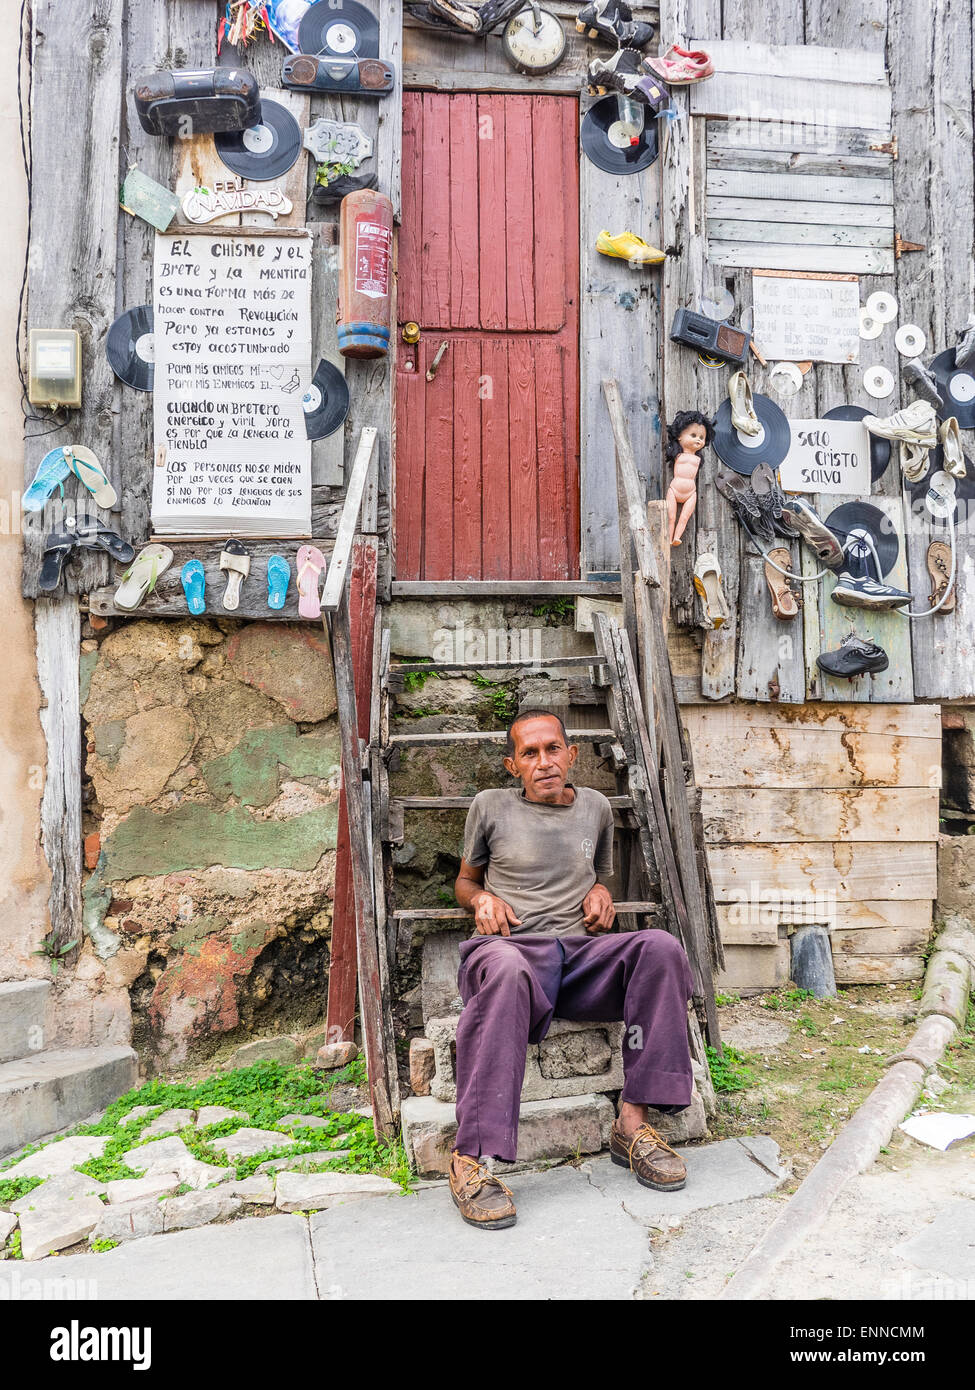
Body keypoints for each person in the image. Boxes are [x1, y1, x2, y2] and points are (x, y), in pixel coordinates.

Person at [447, 708, 697, 1230]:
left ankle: (632, 1125)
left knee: (660, 948)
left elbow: (595, 878)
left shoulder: (597, 809)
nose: (544, 762)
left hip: (578, 958)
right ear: (512, 765)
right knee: (509, 968)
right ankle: (469, 1157)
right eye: (529, 753)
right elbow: (464, 881)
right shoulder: (489, 806)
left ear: (572, 754)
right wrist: (481, 900)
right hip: (507, 952)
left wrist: (602, 890)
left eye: (553, 749)